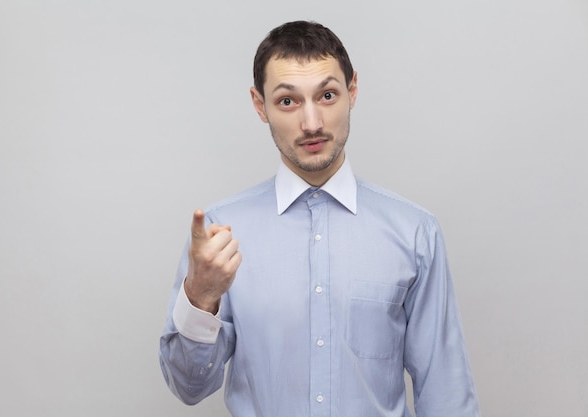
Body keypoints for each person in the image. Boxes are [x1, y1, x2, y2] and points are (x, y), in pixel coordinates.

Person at [159, 20, 481, 417]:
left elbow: (446, 393)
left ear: (353, 91)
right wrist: (201, 298)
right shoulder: (222, 234)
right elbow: (188, 387)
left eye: (327, 95)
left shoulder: (415, 232)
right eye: (288, 101)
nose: (311, 123)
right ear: (260, 105)